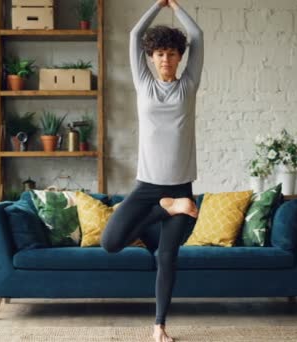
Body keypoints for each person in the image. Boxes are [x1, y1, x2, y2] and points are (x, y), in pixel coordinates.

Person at [100, 0, 203, 341]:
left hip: (180, 188)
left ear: (179, 57)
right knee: (110, 242)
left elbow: (197, 35)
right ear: (151, 57)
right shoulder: (143, 83)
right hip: (148, 187)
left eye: (172, 53)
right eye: (159, 53)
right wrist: (158, 5)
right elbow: (134, 34)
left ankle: (159, 326)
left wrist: (176, 8)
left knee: (167, 257)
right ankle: (163, 209)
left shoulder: (188, 85)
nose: (165, 59)